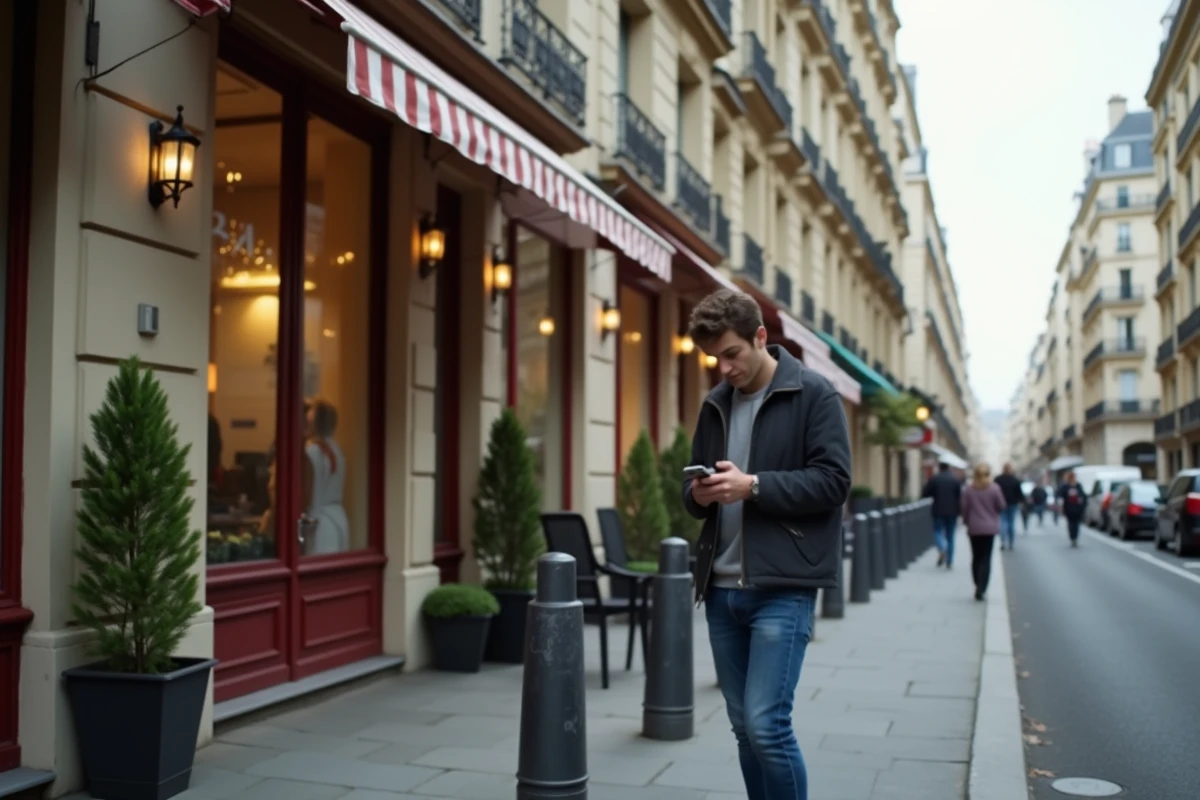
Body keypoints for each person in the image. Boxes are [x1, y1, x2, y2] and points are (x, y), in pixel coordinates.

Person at [682, 289, 852, 800]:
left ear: (761, 337)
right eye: (715, 358)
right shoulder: (715, 403)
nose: (724, 368)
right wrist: (700, 493)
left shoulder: (815, 394)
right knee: (742, 728)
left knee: (766, 727)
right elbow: (691, 497)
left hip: (783, 586)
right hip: (720, 589)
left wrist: (753, 486)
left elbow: (833, 483)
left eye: (732, 354)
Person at [301, 399, 350, 554]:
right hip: (339, 520)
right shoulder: (338, 451)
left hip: (320, 527)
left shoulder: (312, 451)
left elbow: (309, 497)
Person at [960, 463, 1006, 601]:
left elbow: (964, 508)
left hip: (974, 527)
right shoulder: (994, 488)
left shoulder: (969, 489)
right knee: (986, 558)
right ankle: (982, 587)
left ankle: (977, 584)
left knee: (976, 557)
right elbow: (1002, 506)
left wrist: (967, 521)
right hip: (989, 528)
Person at [921, 459, 962, 568]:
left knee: (938, 532)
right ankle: (950, 560)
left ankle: (942, 548)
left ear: (939, 468)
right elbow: (960, 497)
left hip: (938, 511)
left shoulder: (935, 479)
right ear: (948, 468)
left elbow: (925, 494)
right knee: (950, 536)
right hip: (953, 511)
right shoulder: (955, 480)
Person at [993, 463, 1024, 551]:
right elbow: (1020, 494)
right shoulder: (1015, 480)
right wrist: (1021, 502)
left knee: (1003, 522)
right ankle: (1011, 542)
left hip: (1001, 504)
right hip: (1013, 504)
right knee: (1011, 523)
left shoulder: (998, 479)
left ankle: (1003, 541)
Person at [1057, 470, 1086, 547]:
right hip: (1069, 509)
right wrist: (1061, 507)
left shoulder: (1078, 486)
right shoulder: (1065, 487)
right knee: (1070, 524)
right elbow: (1061, 497)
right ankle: (1072, 537)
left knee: (1076, 524)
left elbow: (1083, 496)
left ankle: (1075, 538)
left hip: (1078, 509)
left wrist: (1082, 504)